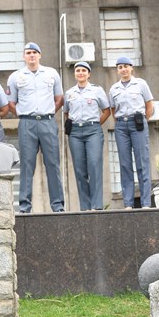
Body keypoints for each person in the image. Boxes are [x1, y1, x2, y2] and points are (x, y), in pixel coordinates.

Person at [6, 42, 65, 213]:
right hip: (27, 123)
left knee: (53, 164)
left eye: (34, 52)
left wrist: (48, 113)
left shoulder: (51, 73)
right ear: (24, 56)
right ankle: (25, 206)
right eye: (28, 52)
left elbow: (59, 98)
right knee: (26, 165)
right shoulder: (16, 77)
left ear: (40, 55)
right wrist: (24, 115)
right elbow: (11, 103)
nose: (31, 55)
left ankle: (58, 205)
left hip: (47, 122)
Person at [63, 61, 111, 211]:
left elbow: (106, 110)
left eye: (84, 70)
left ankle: (96, 206)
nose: (81, 73)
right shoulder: (70, 93)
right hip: (76, 133)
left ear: (89, 74)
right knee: (79, 170)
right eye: (78, 70)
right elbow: (66, 112)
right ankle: (85, 206)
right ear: (75, 74)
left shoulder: (97, 90)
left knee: (94, 165)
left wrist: (96, 124)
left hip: (93, 131)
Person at [108, 56, 154, 209]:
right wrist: (123, 122)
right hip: (121, 125)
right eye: (120, 67)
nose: (123, 69)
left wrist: (142, 120)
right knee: (125, 164)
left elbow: (149, 106)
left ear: (131, 68)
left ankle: (145, 202)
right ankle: (128, 203)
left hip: (138, 123)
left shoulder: (141, 84)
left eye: (126, 66)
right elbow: (113, 110)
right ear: (117, 70)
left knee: (142, 163)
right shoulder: (114, 89)